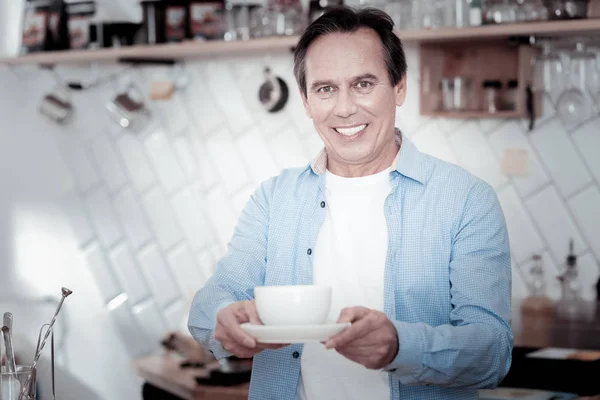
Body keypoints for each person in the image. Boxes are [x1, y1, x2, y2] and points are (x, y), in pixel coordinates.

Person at [188, 6, 512, 400]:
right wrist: (225, 319)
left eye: (362, 84)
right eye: (325, 89)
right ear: (307, 102)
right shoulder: (274, 200)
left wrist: (399, 345)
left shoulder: (464, 200)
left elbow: (493, 352)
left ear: (399, 87)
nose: (344, 108)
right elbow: (208, 305)